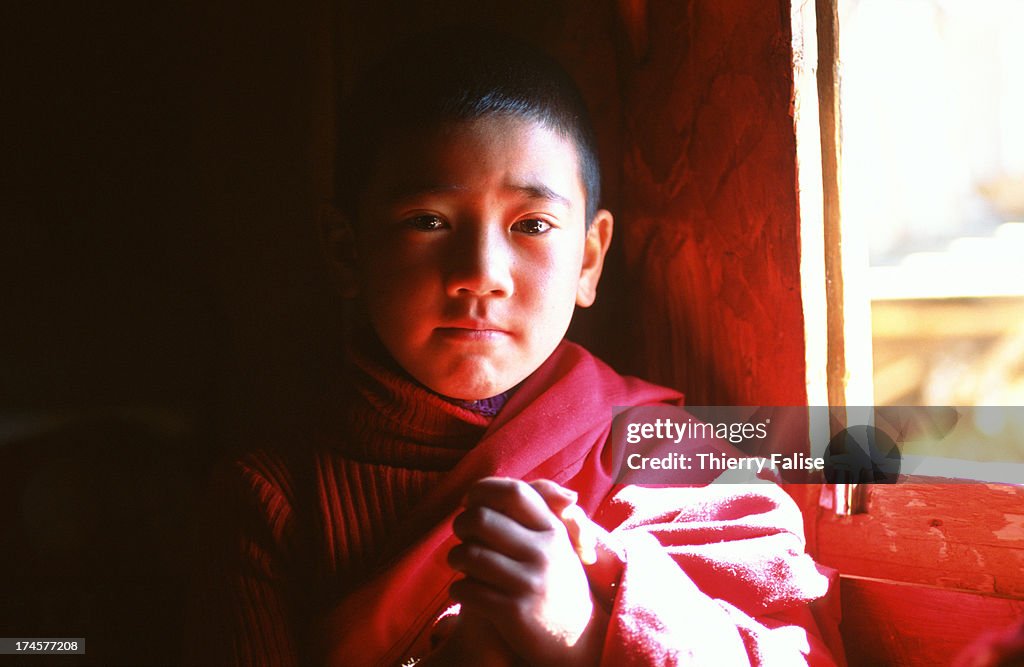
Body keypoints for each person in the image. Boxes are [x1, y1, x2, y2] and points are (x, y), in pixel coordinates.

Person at [184, 30, 839, 666]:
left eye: (532, 224)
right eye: (427, 221)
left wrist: (585, 634)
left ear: (588, 258)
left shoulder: (664, 453)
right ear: (347, 249)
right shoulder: (271, 502)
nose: (482, 272)